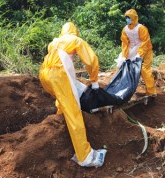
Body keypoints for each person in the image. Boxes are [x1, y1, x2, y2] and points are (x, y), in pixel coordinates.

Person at [39, 22, 107, 167]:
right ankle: (85, 156)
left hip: (44, 75)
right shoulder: (75, 40)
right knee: (74, 112)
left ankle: (60, 116)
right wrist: (94, 81)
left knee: (62, 99)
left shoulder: (54, 43)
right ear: (75, 32)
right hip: (58, 75)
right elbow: (91, 60)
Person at [117, 9, 156, 98]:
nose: (127, 19)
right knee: (123, 67)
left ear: (134, 18)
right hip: (132, 50)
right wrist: (124, 55)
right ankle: (125, 90)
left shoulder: (141, 28)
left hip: (146, 50)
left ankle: (151, 92)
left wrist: (139, 54)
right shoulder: (125, 29)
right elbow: (125, 43)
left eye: (129, 18)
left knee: (145, 70)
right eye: (126, 18)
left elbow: (145, 42)